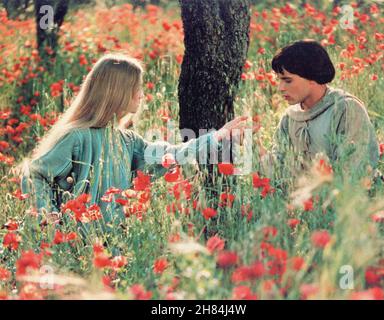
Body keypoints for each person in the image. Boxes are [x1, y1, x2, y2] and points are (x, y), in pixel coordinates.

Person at [21, 53, 247, 225]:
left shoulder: (128, 141)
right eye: (136, 88)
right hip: (76, 244)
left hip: (114, 241)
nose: (141, 94)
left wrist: (216, 137)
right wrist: (47, 214)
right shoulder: (76, 136)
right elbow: (36, 173)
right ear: (116, 91)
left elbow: (172, 154)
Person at [262, 40, 379, 181]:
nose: (280, 88)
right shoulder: (290, 118)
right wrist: (251, 145)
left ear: (312, 77)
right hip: (303, 200)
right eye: (279, 80)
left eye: (287, 80)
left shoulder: (345, 109)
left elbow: (353, 172)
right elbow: (277, 175)